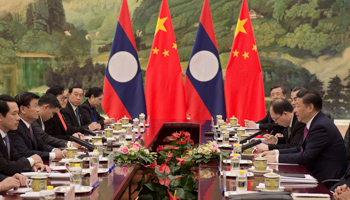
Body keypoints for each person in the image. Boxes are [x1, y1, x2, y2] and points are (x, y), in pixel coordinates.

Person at [262, 89, 347, 182]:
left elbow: (307, 156)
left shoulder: (321, 126)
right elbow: (299, 148)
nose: (294, 110)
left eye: (297, 106)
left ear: (310, 107)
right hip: (311, 173)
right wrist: (275, 152)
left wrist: (276, 158)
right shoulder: (313, 123)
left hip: (323, 180)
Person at [0, 95, 50, 175]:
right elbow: (5, 167)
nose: (18, 118)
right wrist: (32, 160)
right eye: (14, 114)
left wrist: (33, 164)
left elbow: (16, 157)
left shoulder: (6, 135)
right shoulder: (10, 132)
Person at [8, 92, 65, 161]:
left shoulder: (30, 125)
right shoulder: (14, 127)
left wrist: (54, 150)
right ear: (23, 109)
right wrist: (53, 155)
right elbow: (24, 152)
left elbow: (41, 145)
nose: (38, 110)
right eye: (35, 106)